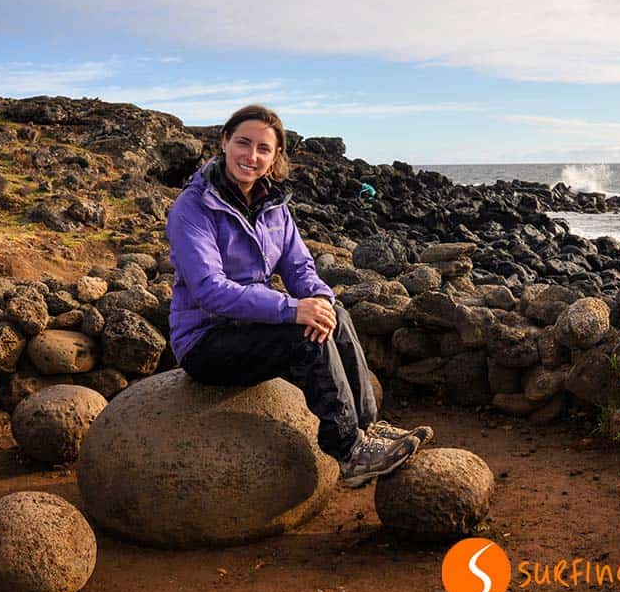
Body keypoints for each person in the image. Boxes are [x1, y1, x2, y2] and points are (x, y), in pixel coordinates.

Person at [166, 104, 432, 488]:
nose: (251, 156)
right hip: (207, 341)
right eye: (243, 143)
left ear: (275, 158)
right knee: (302, 336)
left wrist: (320, 300)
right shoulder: (193, 208)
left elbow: (299, 268)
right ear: (224, 141)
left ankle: (369, 430)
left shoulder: (274, 206)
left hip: (253, 327)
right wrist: (291, 309)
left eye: (263, 149)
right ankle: (350, 452)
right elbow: (210, 291)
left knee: (333, 315)